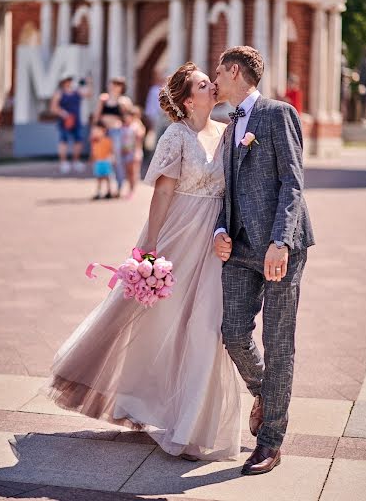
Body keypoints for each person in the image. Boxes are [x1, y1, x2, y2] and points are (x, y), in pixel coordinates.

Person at [43, 62, 241, 461]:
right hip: (177, 236)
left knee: (204, 326)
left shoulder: (228, 131)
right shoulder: (176, 135)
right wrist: (149, 251)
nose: (213, 86)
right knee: (152, 317)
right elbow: (163, 195)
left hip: (214, 241)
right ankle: (119, 388)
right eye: (205, 84)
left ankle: (189, 425)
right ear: (189, 100)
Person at [213, 46, 315, 476]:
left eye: (218, 71)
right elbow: (229, 188)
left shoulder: (278, 114)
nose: (214, 79)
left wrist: (281, 241)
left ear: (235, 71)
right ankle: (266, 394)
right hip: (238, 248)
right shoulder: (231, 121)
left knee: (278, 343)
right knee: (233, 332)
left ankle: (270, 442)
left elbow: (293, 182)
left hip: (279, 248)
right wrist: (220, 229)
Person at [93, 77, 133, 197]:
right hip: (104, 131)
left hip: (116, 131)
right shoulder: (104, 98)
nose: (115, 87)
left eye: (118, 85)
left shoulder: (124, 100)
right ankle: (106, 189)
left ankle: (119, 187)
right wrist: (94, 131)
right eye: (113, 84)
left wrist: (122, 108)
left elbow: (129, 118)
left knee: (117, 159)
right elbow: (97, 116)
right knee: (103, 159)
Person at [50, 75, 91, 174]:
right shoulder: (59, 94)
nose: (70, 83)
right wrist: (63, 113)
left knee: (78, 141)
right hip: (64, 122)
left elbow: (89, 94)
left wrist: (88, 82)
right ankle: (63, 163)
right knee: (63, 141)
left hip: (76, 121)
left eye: (70, 81)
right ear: (63, 82)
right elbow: (53, 108)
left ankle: (76, 161)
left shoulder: (77, 92)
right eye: (67, 81)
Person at [121, 106, 146, 199]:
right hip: (126, 152)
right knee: (128, 172)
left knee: (133, 172)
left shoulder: (137, 126)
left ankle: (132, 191)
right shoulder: (124, 126)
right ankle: (129, 189)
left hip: (135, 152)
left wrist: (137, 123)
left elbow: (140, 136)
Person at [90, 121, 114, 200]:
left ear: (103, 130)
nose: (95, 133)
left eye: (97, 131)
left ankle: (109, 191)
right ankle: (98, 192)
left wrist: (111, 158)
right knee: (99, 178)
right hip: (98, 162)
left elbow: (111, 150)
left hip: (106, 161)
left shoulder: (107, 140)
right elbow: (94, 152)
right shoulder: (94, 141)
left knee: (108, 177)